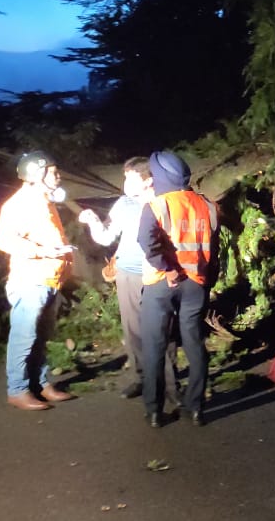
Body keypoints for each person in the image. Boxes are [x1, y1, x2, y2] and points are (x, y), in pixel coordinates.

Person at [78, 157, 179, 406]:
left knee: (164, 329)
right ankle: (141, 377)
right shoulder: (123, 204)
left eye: (130, 177)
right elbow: (105, 237)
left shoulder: (164, 201)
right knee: (133, 329)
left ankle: (171, 386)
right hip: (128, 272)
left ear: (147, 179)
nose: (125, 182)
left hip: (159, 273)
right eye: (124, 177)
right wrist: (92, 222)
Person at [136, 150, 218, 428]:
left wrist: (169, 268)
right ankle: (196, 408)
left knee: (155, 347)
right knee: (194, 344)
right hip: (196, 284)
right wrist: (205, 279)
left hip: (162, 283)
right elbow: (213, 248)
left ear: (159, 177)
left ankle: (155, 411)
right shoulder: (207, 205)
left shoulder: (156, 205)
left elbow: (146, 241)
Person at [0, 151, 77, 410]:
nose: (58, 175)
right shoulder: (20, 203)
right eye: (52, 171)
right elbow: (3, 239)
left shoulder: (44, 202)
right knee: (24, 336)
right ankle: (17, 390)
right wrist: (42, 251)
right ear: (37, 173)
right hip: (31, 280)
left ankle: (40, 385)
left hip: (49, 280)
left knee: (40, 336)